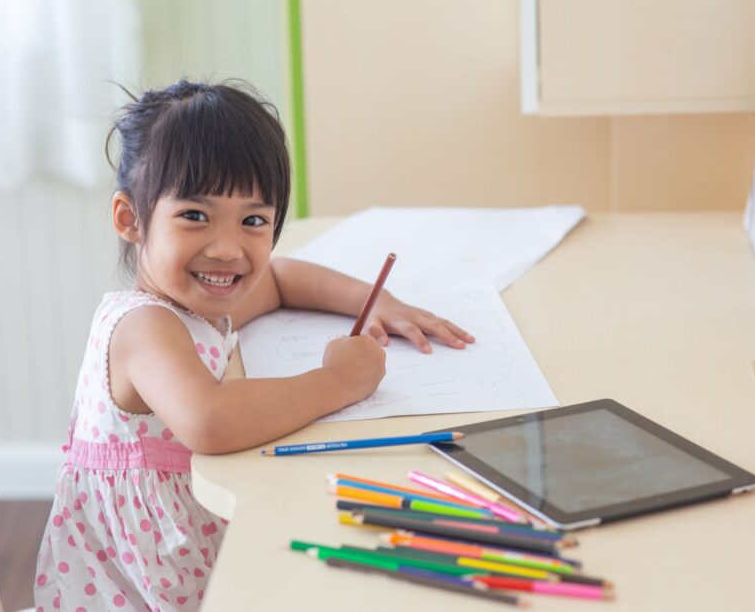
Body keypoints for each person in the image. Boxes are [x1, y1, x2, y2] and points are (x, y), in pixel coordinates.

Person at [34, 79, 474, 611]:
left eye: (253, 221)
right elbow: (210, 420)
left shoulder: (195, 300)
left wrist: (381, 303)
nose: (227, 248)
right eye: (194, 216)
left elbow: (281, 279)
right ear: (131, 219)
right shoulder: (145, 326)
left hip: (184, 540)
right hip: (136, 587)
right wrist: (340, 380)